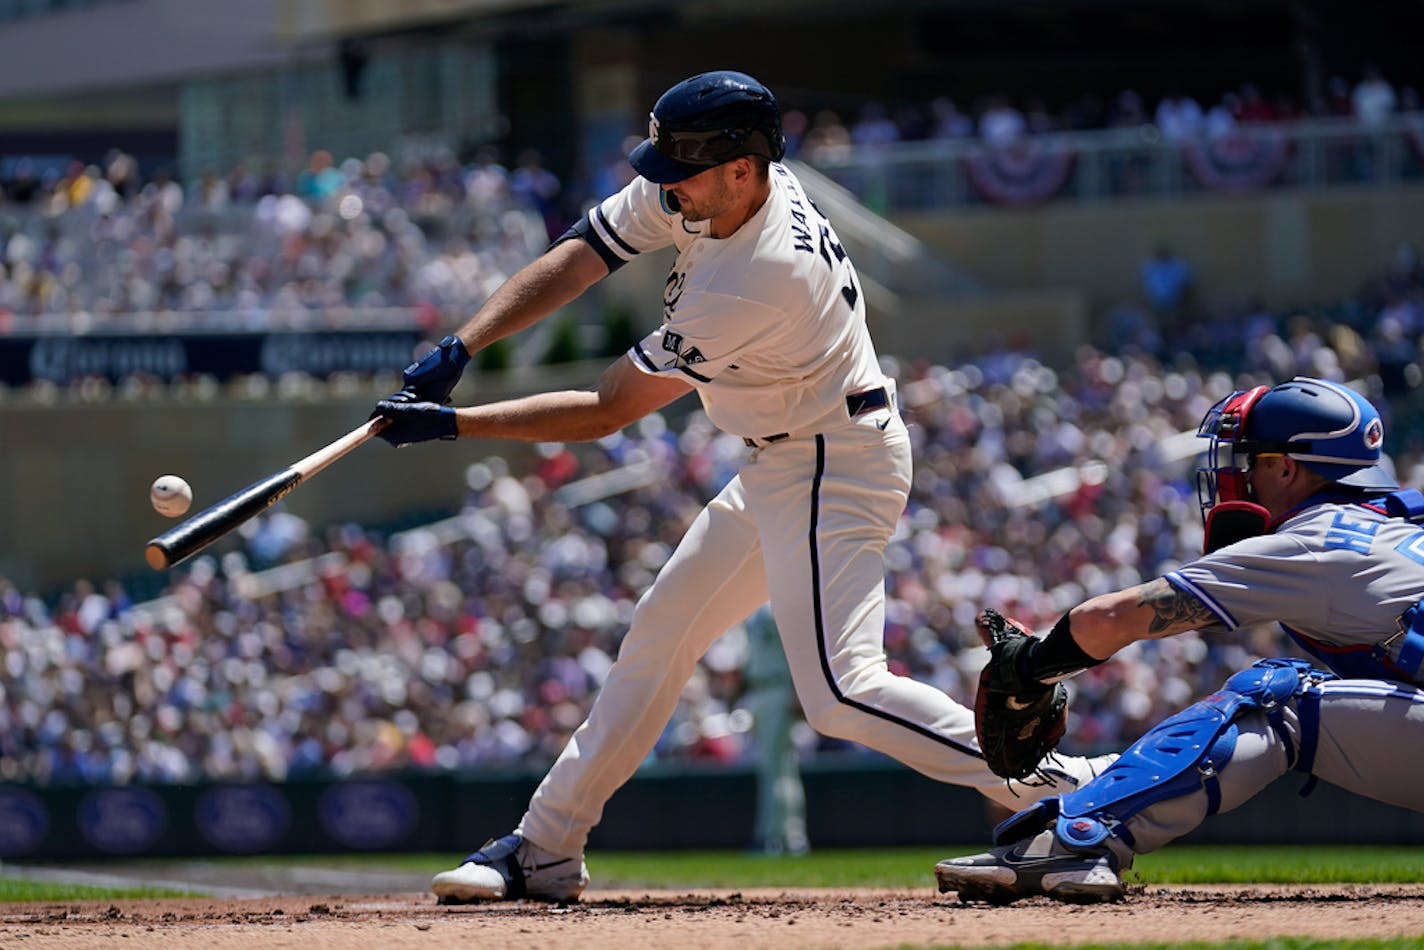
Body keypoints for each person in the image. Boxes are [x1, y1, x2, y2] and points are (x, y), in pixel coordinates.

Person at [369, 69, 1112, 903]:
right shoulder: (714, 188)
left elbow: (611, 408)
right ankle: (544, 848)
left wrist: (458, 424)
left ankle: (1086, 791)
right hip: (780, 458)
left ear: (742, 166)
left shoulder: (760, 271)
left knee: (839, 693)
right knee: (658, 640)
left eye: (680, 163)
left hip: (835, 459)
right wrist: (464, 347)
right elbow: (585, 254)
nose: (660, 180)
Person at [934, 376, 1424, 904]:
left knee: (1273, 699)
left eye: (1249, 459)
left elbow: (1111, 618)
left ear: (1286, 467)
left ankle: (1080, 841)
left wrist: (1030, 666)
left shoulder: (1313, 541)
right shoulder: (1399, 527)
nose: (1235, 475)